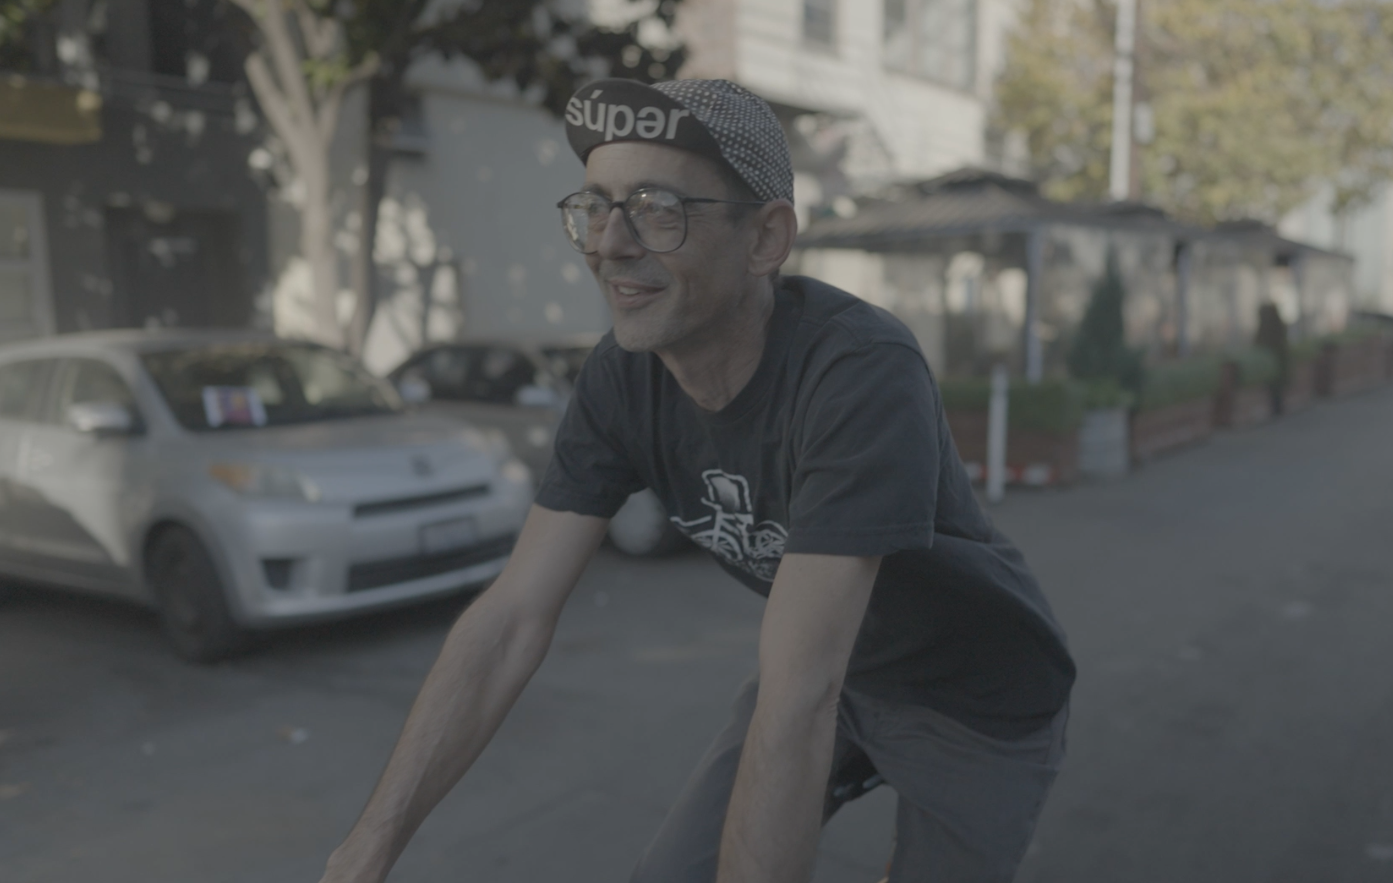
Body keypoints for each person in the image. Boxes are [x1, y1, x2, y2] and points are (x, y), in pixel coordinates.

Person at [318, 78, 1075, 883]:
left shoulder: (857, 371)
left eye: (655, 207)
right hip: (843, 672)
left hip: (976, 698)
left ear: (765, 238)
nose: (608, 242)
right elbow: (509, 619)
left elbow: (796, 694)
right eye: (595, 205)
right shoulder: (622, 377)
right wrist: (365, 849)